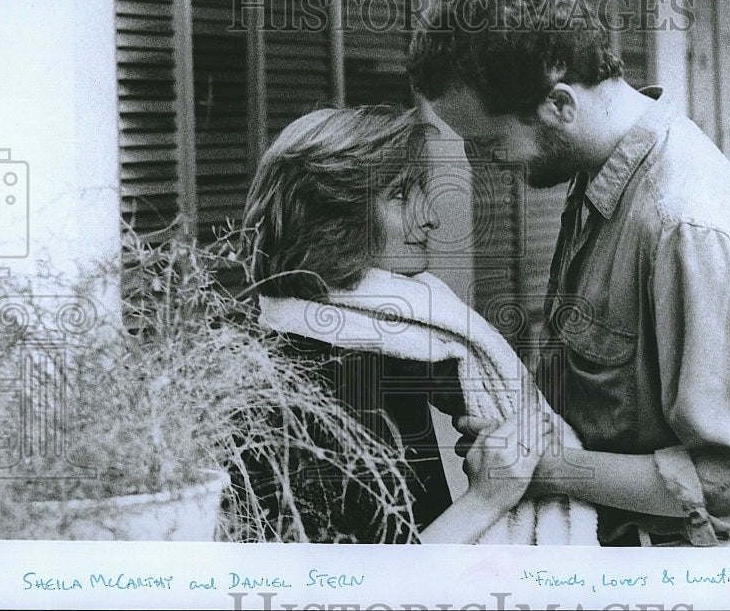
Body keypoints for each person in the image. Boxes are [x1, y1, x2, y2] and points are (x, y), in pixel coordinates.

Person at [409, 0, 730, 547]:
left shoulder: (684, 221)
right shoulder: (599, 178)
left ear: (561, 104)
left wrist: (543, 469)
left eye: (488, 142)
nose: (482, 164)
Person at [238, 105, 596, 544]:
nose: (431, 218)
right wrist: (488, 496)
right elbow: (367, 586)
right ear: (330, 218)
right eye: (401, 195)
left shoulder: (375, 344)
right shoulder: (317, 385)